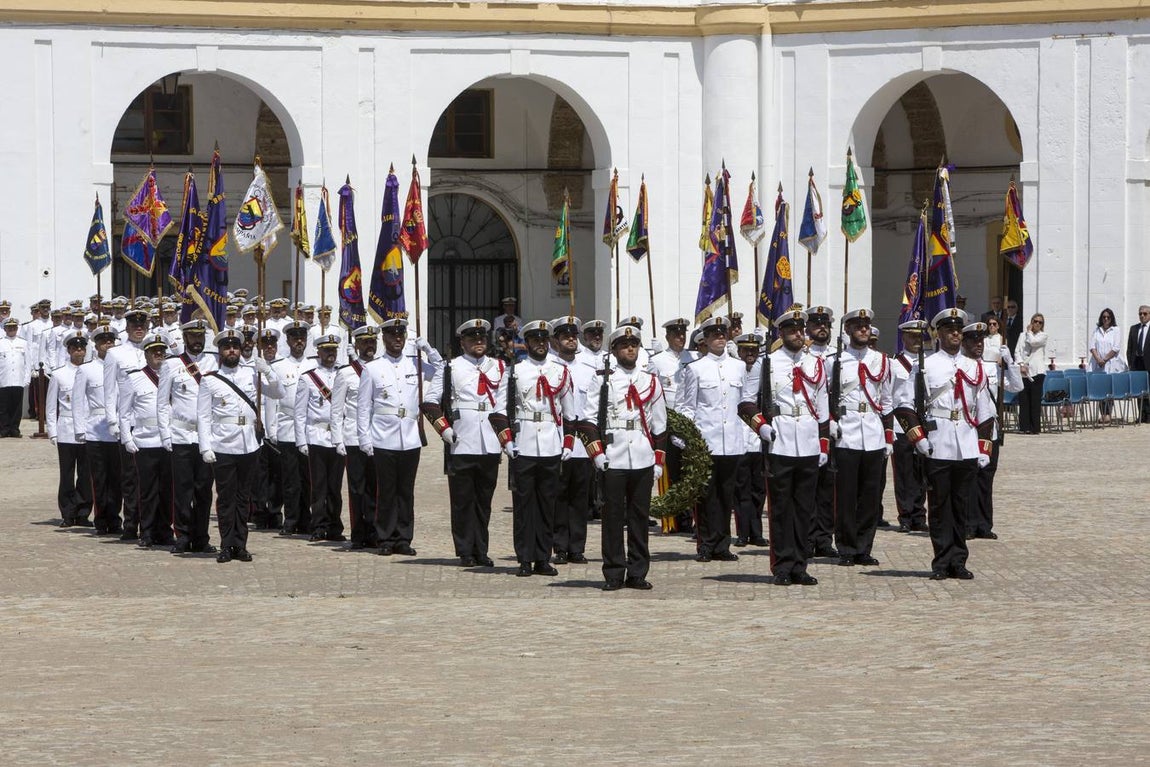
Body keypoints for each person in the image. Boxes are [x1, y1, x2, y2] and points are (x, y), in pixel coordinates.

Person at [895, 310, 995, 581]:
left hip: (966, 441)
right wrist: (919, 439)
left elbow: (985, 412)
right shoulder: (926, 365)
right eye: (949, 330)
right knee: (939, 506)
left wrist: (984, 448)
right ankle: (941, 561)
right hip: (938, 442)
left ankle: (959, 561)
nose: (955, 334)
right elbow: (903, 405)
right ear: (938, 334)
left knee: (961, 505)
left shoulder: (974, 366)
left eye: (958, 330)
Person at [738, 308, 830, 585]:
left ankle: (800, 565)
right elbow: (745, 402)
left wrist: (824, 444)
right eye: (792, 331)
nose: (798, 335)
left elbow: (823, 405)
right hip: (779, 440)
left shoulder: (815, 363)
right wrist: (761, 426)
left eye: (801, 330)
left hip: (809, 441)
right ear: (781, 334)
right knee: (780, 508)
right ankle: (782, 565)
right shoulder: (767, 364)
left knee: (805, 509)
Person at [576, 325, 666, 591]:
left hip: (642, 454)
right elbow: (588, 420)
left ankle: (638, 572)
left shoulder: (650, 380)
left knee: (639, 517)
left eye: (634, 344)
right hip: (613, 456)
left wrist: (658, 461)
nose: (630, 348)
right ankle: (614, 572)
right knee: (612, 517)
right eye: (624, 345)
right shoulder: (602, 379)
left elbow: (660, 426)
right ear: (614, 350)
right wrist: (597, 455)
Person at [488, 320, 574, 577]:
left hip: (550, 443)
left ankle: (542, 558)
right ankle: (524, 557)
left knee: (547, 504)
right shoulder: (515, 371)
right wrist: (506, 441)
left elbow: (570, 413)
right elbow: (499, 409)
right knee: (524, 504)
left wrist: (567, 442)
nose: (540, 344)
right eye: (535, 340)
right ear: (527, 342)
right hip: (523, 443)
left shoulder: (560, 371)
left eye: (544, 339)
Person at [420, 319, 505, 568]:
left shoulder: (499, 366)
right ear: (462, 342)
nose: (478, 342)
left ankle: (482, 549)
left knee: (484, 501)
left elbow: (504, 404)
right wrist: (444, 430)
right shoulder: (450, 368)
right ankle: (465, 550)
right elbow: (430, 402)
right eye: (472, 339)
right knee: (462, 500)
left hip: (489, 440)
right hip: (461, 440)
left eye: (481, 338)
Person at [197, 328, 285, 563]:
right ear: (220, 352)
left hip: (249, 444)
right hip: (223, 444)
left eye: (235, 346)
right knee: (226, 498)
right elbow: (204, 416)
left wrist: (267, 370)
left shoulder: (252, 374)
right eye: (227, 347)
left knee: (244, 497)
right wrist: (205, 447)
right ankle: (227, 544)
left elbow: (279, 392)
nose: (232, 350)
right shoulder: (210, 380)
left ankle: (241, 544)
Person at [357, 317, 437, 557]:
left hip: (410, 436)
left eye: (401, 335)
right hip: (383, 436)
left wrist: (428, 349)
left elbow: (443, 370)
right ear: (384, 338)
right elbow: (363, 407)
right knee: (386, 491)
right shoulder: (372, 368)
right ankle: (385, 537)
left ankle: (403, 538)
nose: (397, 339)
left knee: (406, 490)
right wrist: (364, 439)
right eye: (392, 335)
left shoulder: (417, 365)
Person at [827, 308, 893, 567]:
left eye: (866, 326)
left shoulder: (882, 361)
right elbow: (826, 398)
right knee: (846, 496)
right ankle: (845, 547)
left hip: (874, 434)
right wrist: (831, 423)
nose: (863, 330)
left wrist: (888, 436)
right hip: (847, 433)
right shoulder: (835, 362)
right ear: (848, 330)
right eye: (858, 326)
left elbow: (886, 401)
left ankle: (864, 547)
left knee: (870, 496)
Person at [677, 316, 744, 563]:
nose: (719, 338)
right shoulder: (695, 368)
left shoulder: (738, 367)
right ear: (705, 339)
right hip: (706, 441)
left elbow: (743, 403)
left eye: (723, 333)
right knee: (705, 496)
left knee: (727, 495)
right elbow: (687, 407)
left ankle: (722, 543)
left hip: (732, 441)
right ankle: (705, 543)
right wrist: (687, 437)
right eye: (714, 334)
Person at [158, 319, 218, 554]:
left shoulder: (213, 361)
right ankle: (182, 536)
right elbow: (162, 402)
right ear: (184, 339)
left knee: (204, 489)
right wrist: (165, 434)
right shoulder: (171, 365)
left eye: (200, 336)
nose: (197, 341)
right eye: (192, 337)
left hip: (207, 437)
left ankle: (201, 537)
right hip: (181, 435)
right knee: (182, 489)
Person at [118, 333, 176, 549]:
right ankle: (147, 531)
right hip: (145, 440)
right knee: (147, 490)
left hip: (169, 440)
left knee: (167, 490)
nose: (158, 355)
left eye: (162, 351)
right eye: (154, 352)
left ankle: (165, 530)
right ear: (146, 354)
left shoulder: (174, 375)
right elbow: (124, 412)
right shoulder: (134, 378)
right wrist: (127, 437)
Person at [547, 315, 595, 565]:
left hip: (583, 443)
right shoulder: (549, 368)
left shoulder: (588, 370)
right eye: (565, 337)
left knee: (580, 498)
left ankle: (577, 547)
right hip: (557, 440)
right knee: (559, 496)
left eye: (574, 336)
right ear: (555, 341)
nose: (571, 341)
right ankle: (560, 546)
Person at [967, 326, 1022, 540]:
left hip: (991, 431)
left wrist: (1011, 362)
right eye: (973, 340)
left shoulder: (991, 368)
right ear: (965, 344)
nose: (978, 344)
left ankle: (984, 524)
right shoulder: (961, 367)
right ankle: (969, 524)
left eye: (981, 340)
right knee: (970, 477)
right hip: (972, 431)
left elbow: (1016, 387)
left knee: (986, 478)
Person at [332, 326, 380, 550]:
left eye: (373, 341)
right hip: (353, 437)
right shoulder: (346, 373)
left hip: (379, 435)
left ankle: (375, 531)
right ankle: (358, 534)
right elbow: (336, 409)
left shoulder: (382, 369)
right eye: (365, 342)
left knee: (377, 487)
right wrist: (338, 439)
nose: (370, 346)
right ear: (357, 346)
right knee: (357, 488)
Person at [103, 306, 148, 541]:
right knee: (130, 477)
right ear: (127, 328)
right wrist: (112, 420)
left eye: (142, 326)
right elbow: (109, 390)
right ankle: (131, 524)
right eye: (134, 326)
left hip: (152, 424)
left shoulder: (156, 350)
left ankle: (150, 524)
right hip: (128, 422)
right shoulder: (116, 354)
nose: (138, 329)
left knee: (152, 477)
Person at [296, 333, 346, 542]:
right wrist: (301, 441)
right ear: (318, 352)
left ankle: (335, 526)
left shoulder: (343, 374)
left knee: (335, 486)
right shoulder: (308, 378)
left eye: (333, 350)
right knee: (318, 486)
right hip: (316, 436)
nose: (330, 354)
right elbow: (299, 413)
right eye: (326, 351)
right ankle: (318, 526)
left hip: (338, 436)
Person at [72, 325, 122, 535]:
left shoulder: (121, 366)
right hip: (95, 428)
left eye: (111, 341)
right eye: (103, 341)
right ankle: (101, 519)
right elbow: (77, 400)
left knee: (118, 478)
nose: (108, 344)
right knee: (99, 478)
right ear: (96, 344)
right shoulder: (86, 369)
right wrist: (79, 429)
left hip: (118, 427)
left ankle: (115, 517)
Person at [270, 320, 314, 536]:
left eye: (302, 338)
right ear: (287, 340)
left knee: (308, 478)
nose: (299, 342)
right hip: (287, 427)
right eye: (295, 338)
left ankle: (307, 520)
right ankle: (291, 519)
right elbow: (272, 401)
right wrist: (272, 429)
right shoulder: (278, 366)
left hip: (309, 428)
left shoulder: (313, 366)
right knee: (290, 479)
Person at [46, 329, 92, 527]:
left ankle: (83, 512)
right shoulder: (59, 374)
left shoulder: (91, 372)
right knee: (66, 474)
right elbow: (50, 406)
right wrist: (52, 431)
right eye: (75, 348)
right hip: (66, 429)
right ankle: (67, 512)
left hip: (88, 429)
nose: (79, 352)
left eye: (82, 348)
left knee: (85, 474)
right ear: (69, 350)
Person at [803, 305, 838, 558]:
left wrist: (834, 421)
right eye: (816, 324)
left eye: (825, 323)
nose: (821, 328)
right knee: (806, 488)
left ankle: (824, 539)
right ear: (807, 329)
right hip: (805, 427)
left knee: (827, 489)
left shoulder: (839, 356)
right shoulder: (802, 357)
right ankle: (805, 538)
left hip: (832, 429)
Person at [889, 320, 930, 533]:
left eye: (919, 336)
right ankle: (905, 515)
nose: (917, 340)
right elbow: (890, 396)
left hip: (923, 422)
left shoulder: (928, 362)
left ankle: (919, 515)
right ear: (903, 337)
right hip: (902, 424)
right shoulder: (895, 364)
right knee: (904, 473)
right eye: (912, 336)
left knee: (921, 471)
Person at [732, 333, 768, 548]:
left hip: (757, 435)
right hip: (738, 435)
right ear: (739, 351)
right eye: (746, 350)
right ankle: (743, 532)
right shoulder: (733, 369)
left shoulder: (763, 370)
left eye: (754, 350)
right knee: (741, 488)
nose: (750, 354)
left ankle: (757, 533)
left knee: (759, 488)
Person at [1089, 308, 1125, 423]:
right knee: (1101, 389)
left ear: (1111, 318)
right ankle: (1103, 414)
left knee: (1109, 390)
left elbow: (1116, 348)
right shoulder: (1097, 330)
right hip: (1098, 364)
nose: (1106, 319)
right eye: (1104, 317)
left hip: (1110, 363)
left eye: (1108, 317)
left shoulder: (1116, 330)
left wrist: (1104, 359)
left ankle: (1108, 414)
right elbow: (1092, 346)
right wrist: (1098, 359)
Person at [1014, 312, 1047, 434]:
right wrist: (1021, 364)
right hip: (1024, 370)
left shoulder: (1043, 335)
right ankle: (1024, 426)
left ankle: (1035, 427)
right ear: (1031, 322)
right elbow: (1017, 351)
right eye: (1035, 321)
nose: (1037, 324)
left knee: (1035, 399)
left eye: (1040, 322)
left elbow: (1033, 342)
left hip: (1037, 370)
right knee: (1024, 399)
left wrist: (1029, 332)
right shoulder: (1022, 335)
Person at [0, 317, 30, 437]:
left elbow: (28, 362)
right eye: (9, 327)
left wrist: (27, 378)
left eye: (14, 327)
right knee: (3, 407)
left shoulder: (23, 343)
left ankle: (14, 429)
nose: (11, 329)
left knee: (17, 407)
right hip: (3, 379)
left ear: (17, 328)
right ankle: (4, 429)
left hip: (18, 379)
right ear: (5, 328)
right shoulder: (0, 342)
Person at [1127, 305, 1150, 423]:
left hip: (1149, 364)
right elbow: (1129, 348)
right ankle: (1141, 415)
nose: (1142, 316)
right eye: (1140, 314)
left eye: (1145, 314)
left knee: (1148, 392)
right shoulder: (1134, 329)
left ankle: (1149, 416)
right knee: (1140, 392)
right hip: (1137, 365)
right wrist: (1131, 364)